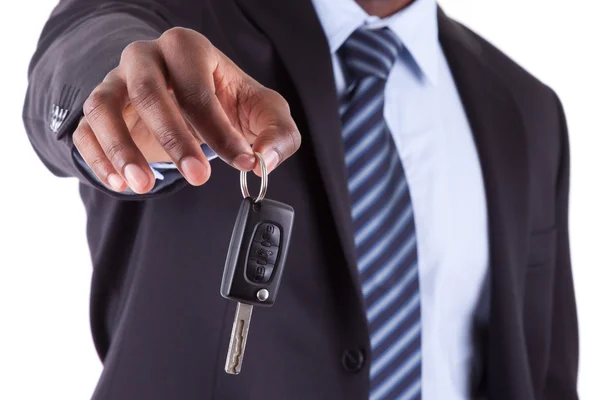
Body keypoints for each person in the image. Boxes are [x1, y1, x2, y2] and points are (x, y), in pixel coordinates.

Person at [22, 0, 578, 398]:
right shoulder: (181, 24)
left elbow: (543, 370)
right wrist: (116, 99)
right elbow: (85, 48)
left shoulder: (528, 108)